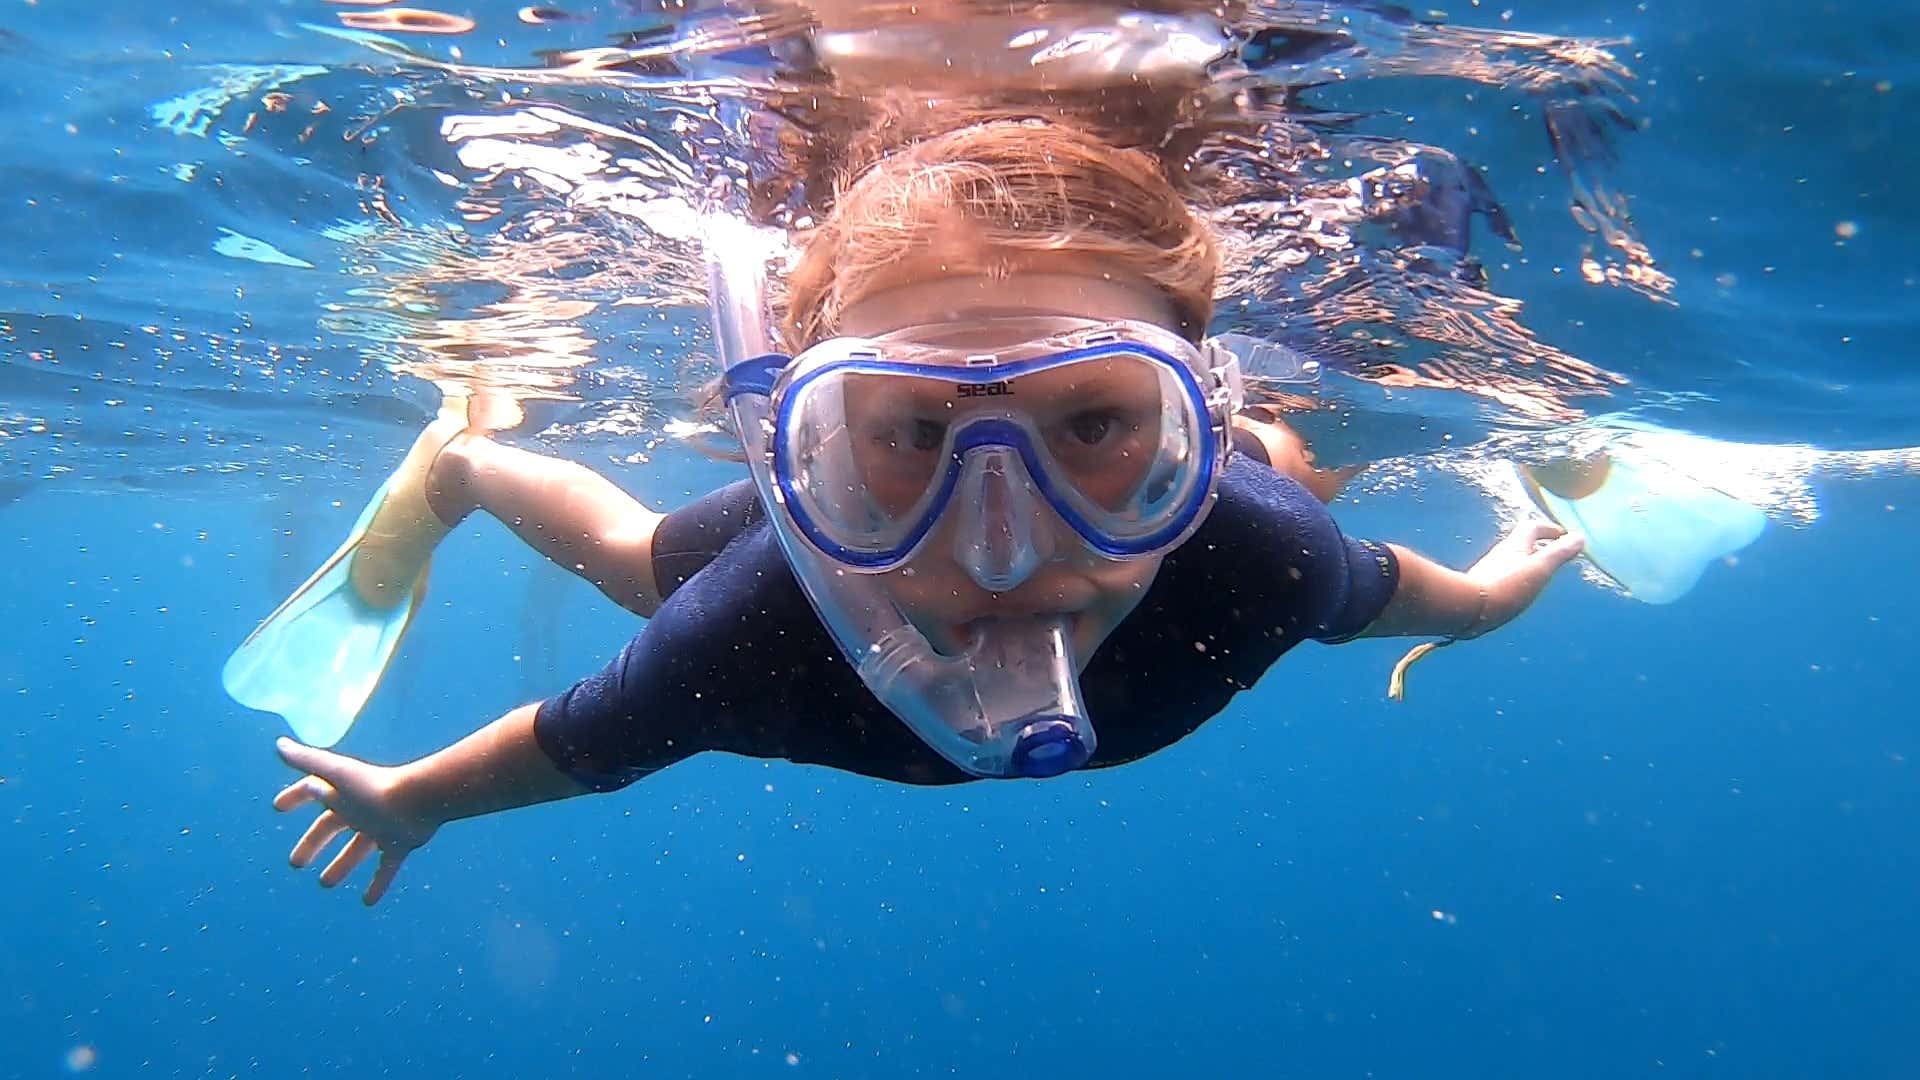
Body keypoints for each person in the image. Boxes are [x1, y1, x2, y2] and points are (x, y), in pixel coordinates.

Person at [235, 120, 1584, 904]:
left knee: (1287, 468)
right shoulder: (757, 626)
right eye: (918, 428)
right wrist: (416, 799)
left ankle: (1238, 434)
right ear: (809, 437)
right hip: (834, 556)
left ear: (1190, 425)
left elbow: (1383, 588)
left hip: (1204, 479)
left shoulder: (1255, 550)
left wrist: (1487, 599)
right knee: (633, 559)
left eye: (1097, 423)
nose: (1000, 541)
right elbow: (581, 735)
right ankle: (465, 463)